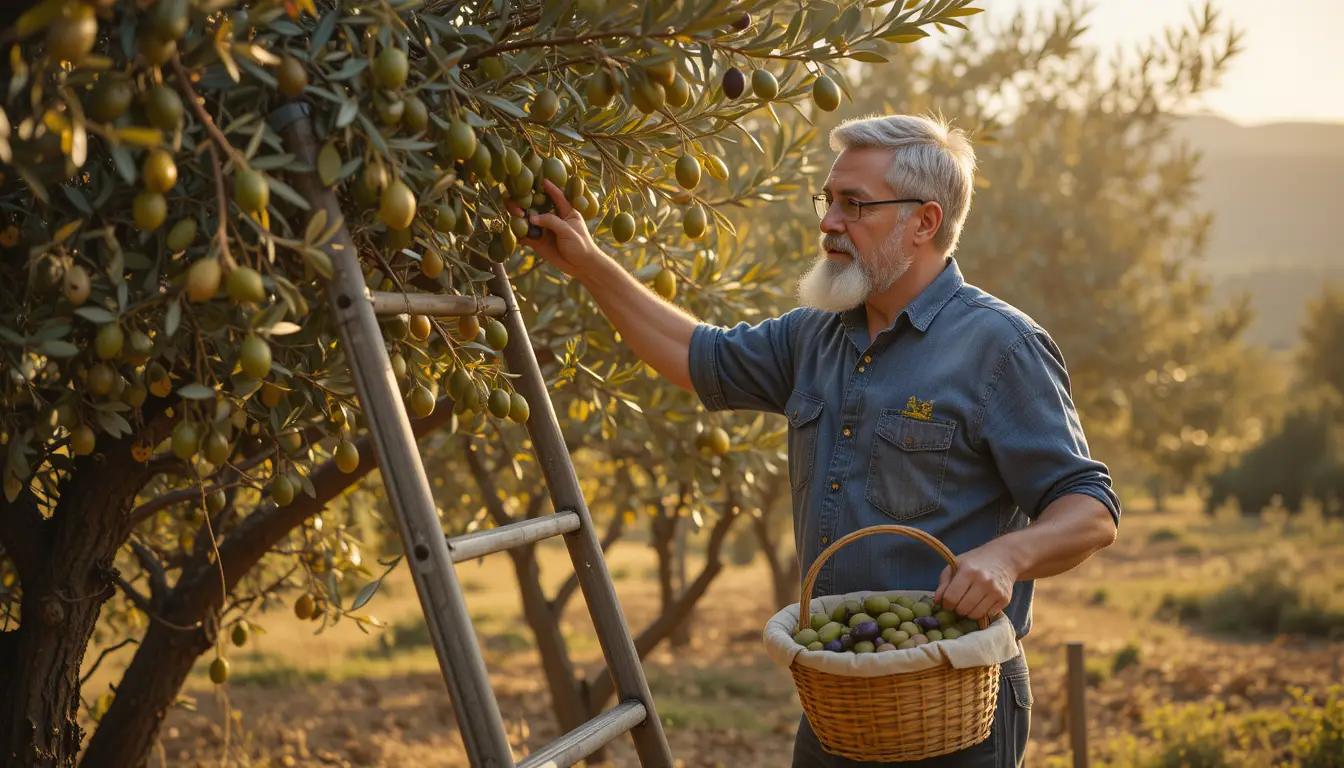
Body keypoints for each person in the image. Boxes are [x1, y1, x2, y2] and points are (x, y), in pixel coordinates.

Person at [513, 113, 1120, 767]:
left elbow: (1089, 508)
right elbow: (696, 355)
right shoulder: (815, 337)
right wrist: (587, 264)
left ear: (924, 222)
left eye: (854, 205)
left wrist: (1006, 558)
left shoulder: (999, 347)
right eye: (828, 200)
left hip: (955, 706)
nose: (829, 221)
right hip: (839, 698)